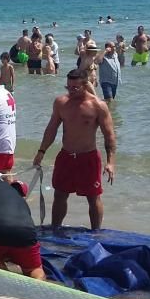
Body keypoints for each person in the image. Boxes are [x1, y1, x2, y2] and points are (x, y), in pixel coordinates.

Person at [33, 69, 116, 231]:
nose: (71, 90)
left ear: (86, 85)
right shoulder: (61, 102)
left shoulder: (98, 105)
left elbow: (110, 136)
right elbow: (51, 129)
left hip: (89, 158)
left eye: (75, 87)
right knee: (60, 194)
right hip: (66, 156)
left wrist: (111, 162)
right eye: (68, 87)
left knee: (93, 197)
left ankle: (96, 233)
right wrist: (41, 151)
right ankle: (55, 229)